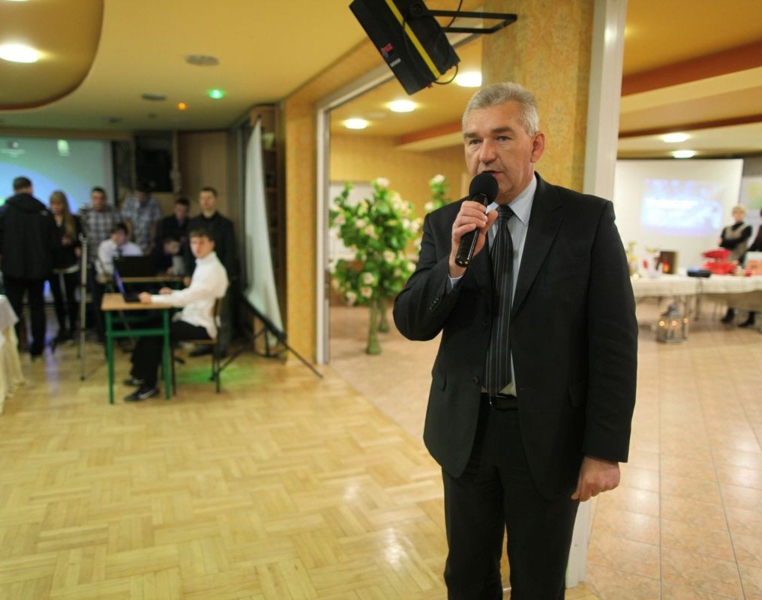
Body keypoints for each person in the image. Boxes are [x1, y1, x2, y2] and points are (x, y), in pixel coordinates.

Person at [393, 83, 638, 599]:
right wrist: (453, 266)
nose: (484, 154)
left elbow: (614, 342)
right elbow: (413, 322)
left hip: (549, 437)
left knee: (539, 581)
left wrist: (603, 449)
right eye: (473, 140)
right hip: (466, 432)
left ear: (536, 144)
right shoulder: (446, 223)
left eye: (501, 137)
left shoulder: (587, 221)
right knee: (467, 577)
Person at [124, 228, 229, 401]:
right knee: (151, 326)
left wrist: (153, 298)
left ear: (212, 244)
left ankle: (149, 386)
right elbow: (193, 295)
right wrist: (172, 293)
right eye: (194, 242)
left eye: (202, 242)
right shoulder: (204, 264)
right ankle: (140, 376)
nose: (197, 247)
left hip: (201, 326)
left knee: (154, 333)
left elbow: (188, 298)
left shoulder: (212, 269)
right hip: (192, 319)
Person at [0, 176, 59, 359]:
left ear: (14, 189)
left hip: (12, 268)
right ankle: (38, 347)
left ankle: (16, 346)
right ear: (30, 188)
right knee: (37, 307)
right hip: (38, 269)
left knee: (14, 309)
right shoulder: (43, 211)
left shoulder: (4, 211)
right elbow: (54, 242)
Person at [183, 186, 237, 356]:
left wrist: (226, 275)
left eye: (209, 198)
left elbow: (230, 251)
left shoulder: (225, 224)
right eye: (202, 198)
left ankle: (222, 345)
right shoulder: (193, 223)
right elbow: (187, 251)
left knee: (222, 311)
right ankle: (203, 343)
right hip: (199, 273)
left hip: (219, 273)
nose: (206, 201)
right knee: (200, 308)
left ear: (215, 200)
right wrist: (187, 273)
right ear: (199, 202)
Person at [48, 190, 83, 343]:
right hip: (53, 263)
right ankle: (62, 327)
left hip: (69, 262)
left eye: (59, 203)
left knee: (71, 296)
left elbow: (80, 239)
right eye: (53, 203)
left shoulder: (73, 219)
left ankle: (72, 328)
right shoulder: (47, 219)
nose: (56, 207)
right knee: (57, 298)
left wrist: (72, 243)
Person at [719, 205, 753, 324]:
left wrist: (725, 242)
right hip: (727, 260)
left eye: (740, 213)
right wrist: (726, 243)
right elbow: (722, 244)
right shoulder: (727, 228)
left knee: (738, 288)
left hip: (739, 260)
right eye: (736, 213)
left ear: (744, 214)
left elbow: (737, 242)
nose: (738, 215)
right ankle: (730, 311)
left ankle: (739, 310)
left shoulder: (747, 228)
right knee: (728, 287)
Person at [78, 186, 122, 265]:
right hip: (90, 253)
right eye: (95, 198)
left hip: (109, 253)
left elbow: (119, 230)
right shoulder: (84, 211)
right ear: (91, 199)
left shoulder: (113, 211)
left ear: (106, 199)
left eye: (101, 198)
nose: (98, 201)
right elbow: (79, 231)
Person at [121, 181, 162, 254]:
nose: (140, 197)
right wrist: (129, 242)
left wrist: (151, 243)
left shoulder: (154, 203)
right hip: (132, 238)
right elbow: (127, 222)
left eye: (143, 196)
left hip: (146, 239)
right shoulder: (129, 202)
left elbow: (154, 225)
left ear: (149, 195)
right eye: (138, 194)